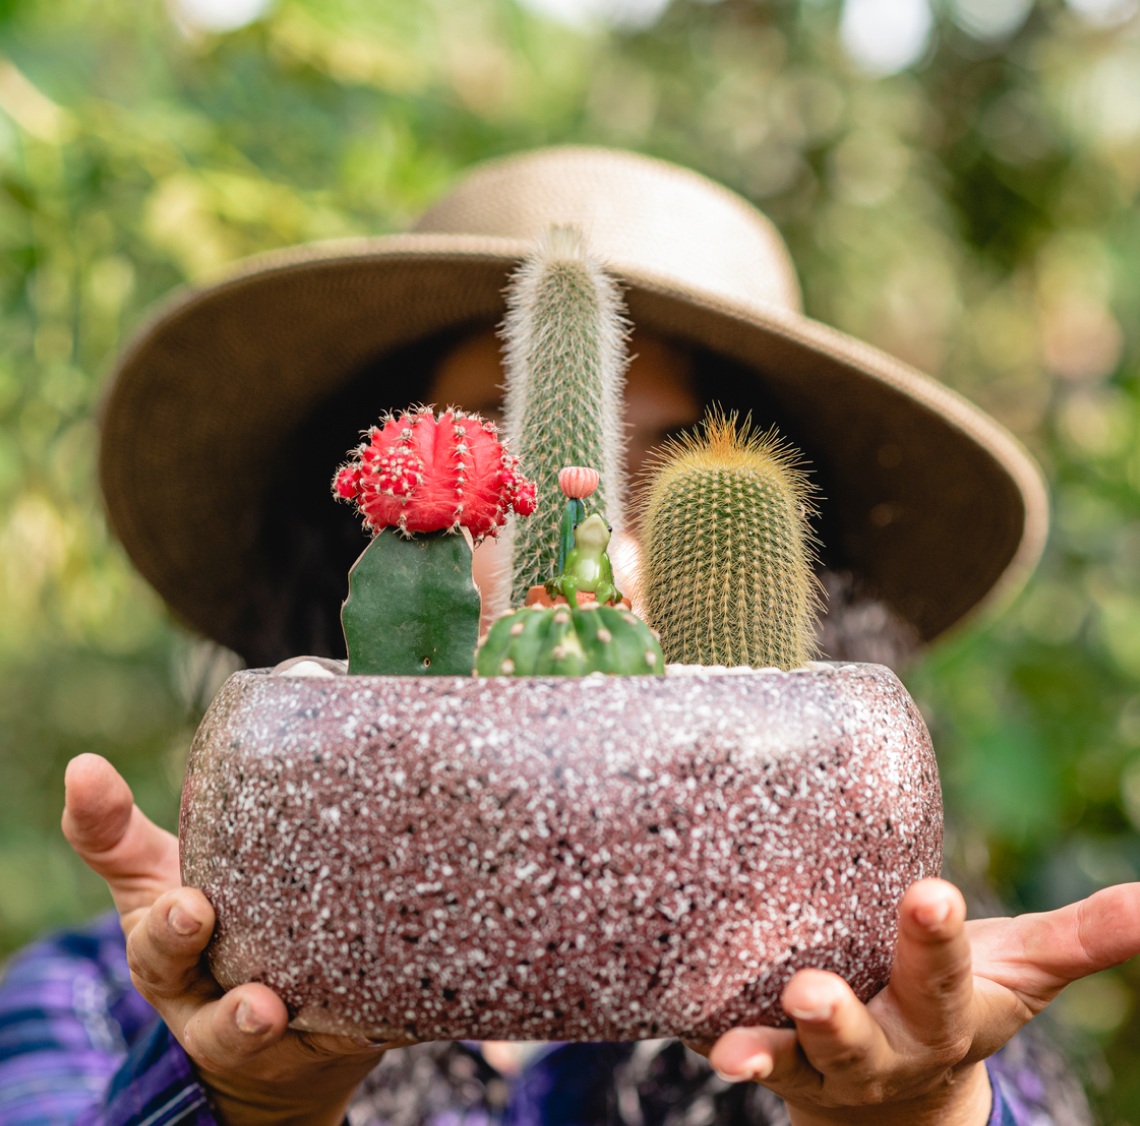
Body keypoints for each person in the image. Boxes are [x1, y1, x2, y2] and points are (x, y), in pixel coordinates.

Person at [1, 146, 1136, 1126]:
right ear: (384, 519)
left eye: (678, 477)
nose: (606, 545)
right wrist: (243, 1106)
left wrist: (922, 1108)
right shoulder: (105, 997)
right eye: (514, 453)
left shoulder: (886, 998)